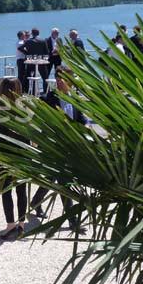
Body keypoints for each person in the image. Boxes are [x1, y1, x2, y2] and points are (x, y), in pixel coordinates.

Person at [29, 66, 87, 232]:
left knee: (51, 178)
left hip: (69, 147)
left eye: (66, 78)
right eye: (60, 78)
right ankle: (73, 221)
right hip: (52, 147)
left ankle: (35, 202)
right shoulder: (47, 98)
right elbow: (37, 120)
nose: (62, 81)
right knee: (64, 181)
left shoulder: (75, 99)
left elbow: (81, 120)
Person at [0, 77, 28, 239]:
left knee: (6, 188)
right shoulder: (25, 107)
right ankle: (21, 225)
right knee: (21, 189)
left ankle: (10, 224)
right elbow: (31, 133)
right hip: (22, 152)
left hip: (4, 151)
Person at [22, 27, 48, 94]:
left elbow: (20, 48)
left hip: (31, 61)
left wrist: (27, 53)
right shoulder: (43, 40)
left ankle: (29, 92)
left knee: (29, 77)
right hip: (41, 61)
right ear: (38, 33)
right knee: (45, 78)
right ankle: (46, 91)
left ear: (32, 33)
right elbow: (47, 52)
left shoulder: (28, 41)